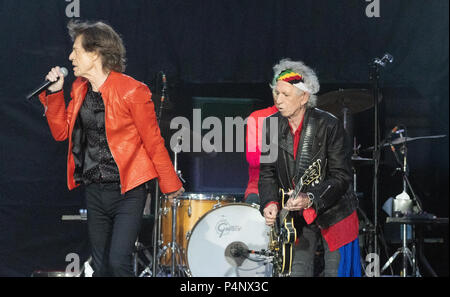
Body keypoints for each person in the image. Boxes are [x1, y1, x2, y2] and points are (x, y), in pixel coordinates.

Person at [39, 20, 184, 276]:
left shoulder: (132, 91)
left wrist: (170, 185)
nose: (71, 57)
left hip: (128, 190)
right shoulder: (79, 89)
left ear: (95, 54)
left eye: (76, 50)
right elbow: (61, 132)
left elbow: (153, 142)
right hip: (95, 190)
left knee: (119, 261)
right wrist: (54, 94)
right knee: (102, 265)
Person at [259, 58, 361, 277]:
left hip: (335, 212)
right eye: (277, 93)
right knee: (297, 272)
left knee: (336, 273)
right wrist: (269, 202)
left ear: (304, 97)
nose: (279, 100)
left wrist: (311, 198)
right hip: (299, 217)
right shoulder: (270, 126)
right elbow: (267, 172)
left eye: (286, 94)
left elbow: (341, 177)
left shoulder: (329, 125)